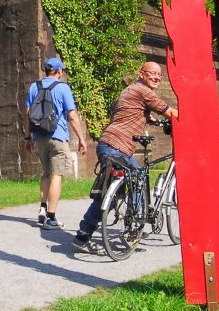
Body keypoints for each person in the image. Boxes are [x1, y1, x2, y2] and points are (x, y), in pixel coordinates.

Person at [73, 61, 179, 252]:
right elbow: (170, 112)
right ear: (142, 73)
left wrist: (151, 120)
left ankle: (82, 236)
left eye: (159, 75)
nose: (156, 77)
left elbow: (131, 113)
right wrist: (194, 117)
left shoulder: (129, 91)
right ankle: (135, 223)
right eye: (152, 73)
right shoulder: (144, 91)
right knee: (137, 178)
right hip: (117, 147)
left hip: (108, 144)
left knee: (107, 192)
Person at [22, 56, 88, 230]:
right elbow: (72, 116)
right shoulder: (63, 88)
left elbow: (27, 114)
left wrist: (27, 137)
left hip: (39, 137)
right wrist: (81, 139)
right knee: (56, 175)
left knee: (46, 173)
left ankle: (42, 210)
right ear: (59, 71)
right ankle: (51, 217)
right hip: (57, 136)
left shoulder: (34, 87)